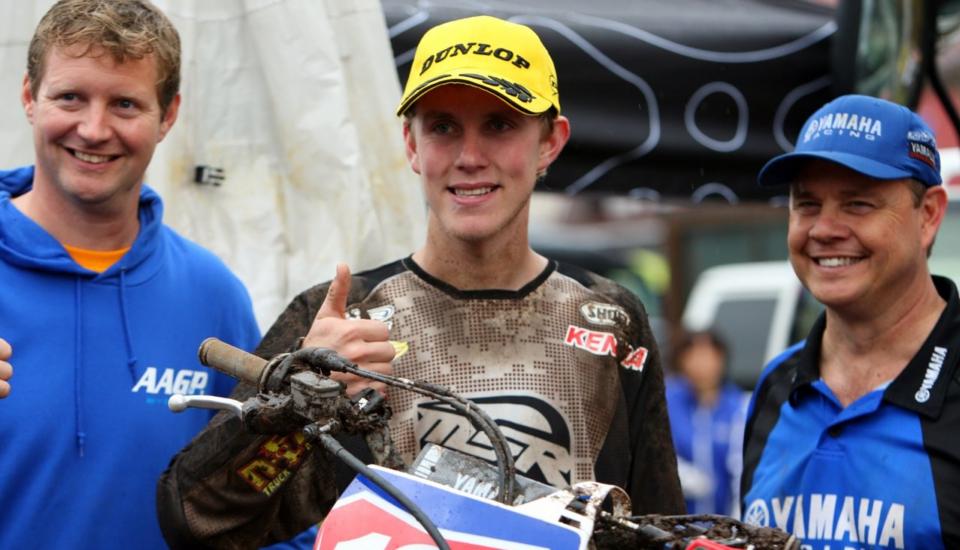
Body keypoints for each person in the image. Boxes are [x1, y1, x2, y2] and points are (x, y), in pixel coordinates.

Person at [157, 14, 685, 548]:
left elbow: (662, 530)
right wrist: (294, 405)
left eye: (499, 124)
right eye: (443, 127)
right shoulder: (341, 320)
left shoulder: (610, 315)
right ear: (410, 145)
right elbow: (197, 518)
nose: (470, 158)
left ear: (550, 142)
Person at [0, 1, 265, 548]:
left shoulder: (212, 296)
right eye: (70, 96)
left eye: (124, 104)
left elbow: (258, 502)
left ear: (168, 116)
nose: (94, 129)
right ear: (29, 96)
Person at [740, 94, 959, 548]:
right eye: (807, 204)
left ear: (929, 215)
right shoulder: (777, 387)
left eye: (858, 204)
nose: (824, 229)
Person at [666, 330, 748, 516]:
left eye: (708, 356)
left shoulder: (738, 407)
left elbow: (741, 469)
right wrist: (684, 476)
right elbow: (655, 454)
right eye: (693, 356)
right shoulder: (667, 401)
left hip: (722, 527)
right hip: (678, 526)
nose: (702, 365)